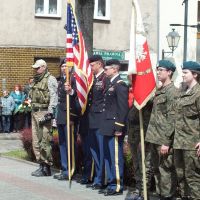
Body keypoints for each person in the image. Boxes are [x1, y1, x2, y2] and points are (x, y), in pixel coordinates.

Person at [145, 60, 178, 200]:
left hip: (163, 139)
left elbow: (173, 119)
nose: (158, 72)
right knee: (157, 169)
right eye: (157, 69)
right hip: (153, 137)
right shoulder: (159, 91)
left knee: (166, 170)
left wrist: (166, 142)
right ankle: (160, 194)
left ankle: (167, 196)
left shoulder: (173, 92)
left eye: (161, 70)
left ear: (169, 72)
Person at [99, 59, 129, 196]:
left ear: (115, 69)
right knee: (109, 157)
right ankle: (111, 182)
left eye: (107, 69)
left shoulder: (120, 85)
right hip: (107, 125)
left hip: (114, 127)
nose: (105, 71)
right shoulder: (111, 83)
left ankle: (117, 185)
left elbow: (122, 108)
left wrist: (119, 127)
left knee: (115, 158)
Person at [173, 61, 200, 200]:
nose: (182, 75)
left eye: (185, 72)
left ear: (195, 74)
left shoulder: (198, 93)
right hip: (178, 142)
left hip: (192, 144)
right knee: (180, 175)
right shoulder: (182, 91)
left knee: (193, 178)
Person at [81, 55, 106, 188]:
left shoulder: (105, 79)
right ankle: (97, 177)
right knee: (94, 150)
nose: (90, 67)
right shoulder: (93, 79)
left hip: (101, 119)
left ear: (99, 64)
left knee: (101, 151)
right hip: (91, 120)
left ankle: (102, 179)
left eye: (92, 65)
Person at [29, 59, 58, 177]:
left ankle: (46, 166)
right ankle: (40, 164)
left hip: (44, 112)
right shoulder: (36, 79)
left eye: (38, 68)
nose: (36, 70)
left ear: (44, 67)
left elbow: (53, 97)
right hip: (35, 112)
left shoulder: (50, 79)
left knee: (44, 140)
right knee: (36, 140)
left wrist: (50, 114)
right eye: (35, 68)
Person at [53, 58, 81, 181]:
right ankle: (65, 169)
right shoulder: (62, 80)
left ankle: (72, 169)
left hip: (70, 116)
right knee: (63, 143)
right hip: (61, 116)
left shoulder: (74, 79)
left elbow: (77, 98)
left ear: (71, 67)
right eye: (62, 66)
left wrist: (73, 117)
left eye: (66, 65)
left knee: (71, 144)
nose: (63, 68)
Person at [125, 101, 154, 200]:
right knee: (136, 165)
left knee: (144, 167)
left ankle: (144, 193)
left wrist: (144, 140)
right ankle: (138, 189)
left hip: (142, 140)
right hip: (133, 139)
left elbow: (147, 123)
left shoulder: (146, 102)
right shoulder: (136, 102)